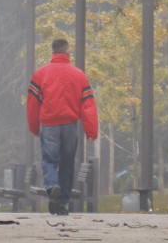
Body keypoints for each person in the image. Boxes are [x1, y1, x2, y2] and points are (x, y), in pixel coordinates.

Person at [26, 38, 99, 215]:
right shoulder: (79, 75)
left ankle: (52, 187)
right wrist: (91, 131)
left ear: (53, 53)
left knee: (50, 160)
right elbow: (88, 105)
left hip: (50, 125)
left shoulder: (40, 74)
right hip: (70, 126)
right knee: (67, 164)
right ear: (68, 53)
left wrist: (34, 126)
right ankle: (62, 204)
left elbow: (32, 104)